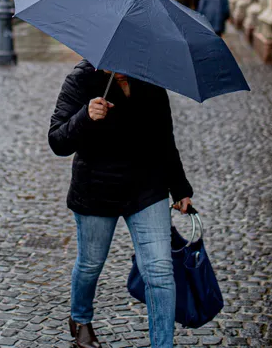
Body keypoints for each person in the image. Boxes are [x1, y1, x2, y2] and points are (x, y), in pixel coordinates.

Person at [50, 62, 194, 348]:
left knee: (160, 270)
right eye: (113, 66)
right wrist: (85, 116)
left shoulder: (150, 80)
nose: (121, 71)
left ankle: (162, 345)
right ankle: (80, 318)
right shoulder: (80, 80)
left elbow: (164, 140)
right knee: (91, 264)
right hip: (96, 189)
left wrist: (179, 188)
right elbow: (57, 141)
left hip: (146, 188)